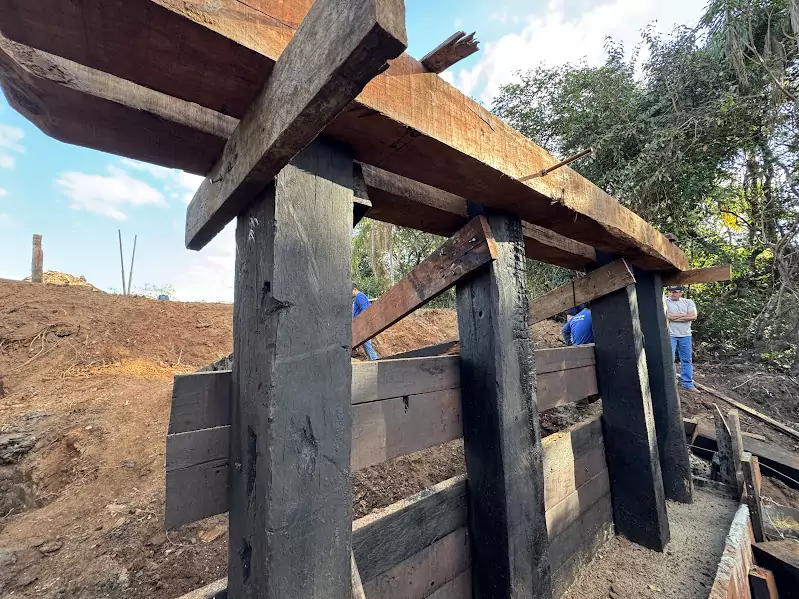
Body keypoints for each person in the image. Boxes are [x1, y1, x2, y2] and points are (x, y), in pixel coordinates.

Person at [665, 285, 698, 391]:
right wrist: (684, 315)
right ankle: (671, 384)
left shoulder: (688, 302)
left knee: (687, 360)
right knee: (669, 359)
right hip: (670, 335)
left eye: (675, 291)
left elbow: (693, 316)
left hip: (686, 335)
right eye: (670, 291)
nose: (672, 293)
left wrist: (674, 317)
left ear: (681, 292)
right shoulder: (665, 301)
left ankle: (688, 384)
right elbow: (668, 316)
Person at [352, 284, 378, 360]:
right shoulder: (359, 297)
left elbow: (365, 310)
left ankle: (374, 360)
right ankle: (372, 360)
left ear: (355, 289)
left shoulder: (359, 296)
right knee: (366, 344)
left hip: (363, 324)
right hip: (362, 324)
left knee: (367, 344)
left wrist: (363, 323)